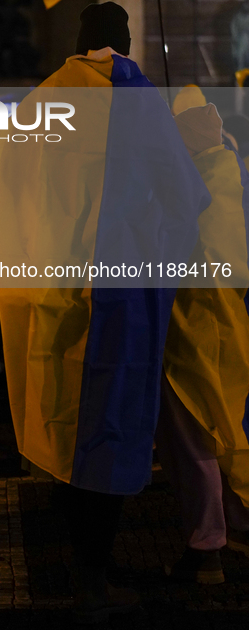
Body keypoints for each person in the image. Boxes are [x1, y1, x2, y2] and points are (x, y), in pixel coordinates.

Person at [0, 3, 210, 623]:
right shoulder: (133, 97)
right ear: (124, 42)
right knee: (107, 428)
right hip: (115, 295)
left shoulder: (39, 100)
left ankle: (85, 562)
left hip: (47, 288)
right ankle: (93, 576)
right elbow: (184, 195)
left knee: (65, 423)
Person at [156, 102, 249, 583]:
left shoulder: (194, 188)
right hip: (226, 326)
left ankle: (206, 545)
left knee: (193, 438)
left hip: (191, 331)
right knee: (223, 428)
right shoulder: (228, 176)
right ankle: (234, 524)